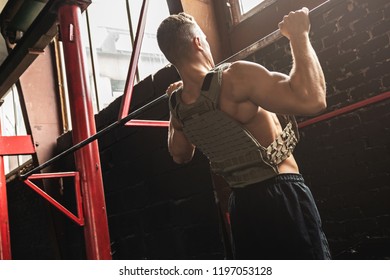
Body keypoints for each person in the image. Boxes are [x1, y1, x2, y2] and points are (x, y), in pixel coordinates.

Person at [157, 8, 331, 260]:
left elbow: (180, 155)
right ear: (197, 42)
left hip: (241, 206)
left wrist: (173, 107)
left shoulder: (178, 105)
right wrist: (298, 35)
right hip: (282, 196)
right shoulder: (236, 77)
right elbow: (313, 100)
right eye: (204, 38)